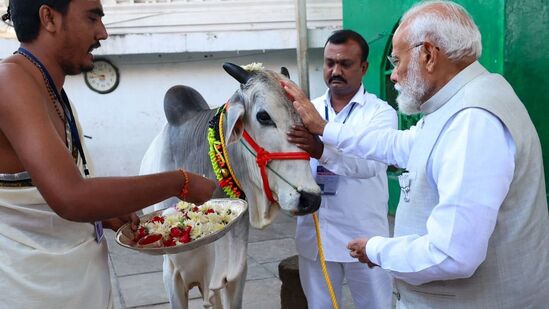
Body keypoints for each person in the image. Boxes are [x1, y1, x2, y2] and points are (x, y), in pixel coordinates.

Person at [284, 1, 549, 307]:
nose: (394, 75)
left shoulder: (472, 120)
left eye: (397, 61)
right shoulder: (460, 104)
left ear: (428, 55)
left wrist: (377, 250)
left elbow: (451, 255)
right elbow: (396, 145)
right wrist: (325, 130)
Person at [0, 1, 216, 308]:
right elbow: (71, 197)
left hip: (76, 285)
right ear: (49, 18)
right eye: (92, 17)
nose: (102, 32)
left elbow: (49, 189)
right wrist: (178, 181)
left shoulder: (50, 88)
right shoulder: (11, 82)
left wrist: (100, 210)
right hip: (28, 291)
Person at [287, 29, 396, 309]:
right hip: (316, 237)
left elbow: (369, 165)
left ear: (364, 68)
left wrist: (320, 149)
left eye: (345, 64)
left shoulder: (380, 114)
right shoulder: (305, 110)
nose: (335, 70)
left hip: (363, 235)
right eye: (329, 63)